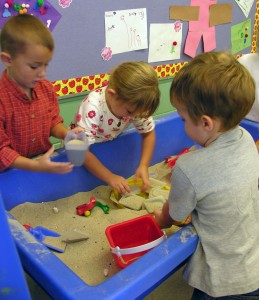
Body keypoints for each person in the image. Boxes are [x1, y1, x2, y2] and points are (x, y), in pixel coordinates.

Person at [154, 51, 259, 299]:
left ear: (206, 123)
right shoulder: (246, 139)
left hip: (222, 281)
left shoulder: (188, 167)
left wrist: (159, 220)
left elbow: (175, 215)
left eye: (182, 119)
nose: (181, 124)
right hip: (254, 266)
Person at [72, 61, 160, 194]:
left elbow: (148, 133)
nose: (134, 117)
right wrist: (110, 177)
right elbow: (81, 151)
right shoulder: (92, 107)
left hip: (106, 142)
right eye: (130, 112)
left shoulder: (135, 104)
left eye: (138, 113)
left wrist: (143, 165)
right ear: (112, 95)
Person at [0, 14, 72, 174]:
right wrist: (36, 166)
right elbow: (2, 151)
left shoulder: (45, 88)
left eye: (46, 65)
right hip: (9, 173)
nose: (43, 73)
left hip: (42, 160)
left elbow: (53, 122)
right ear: (8, 59)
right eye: (34, 67)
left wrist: (67, 134)